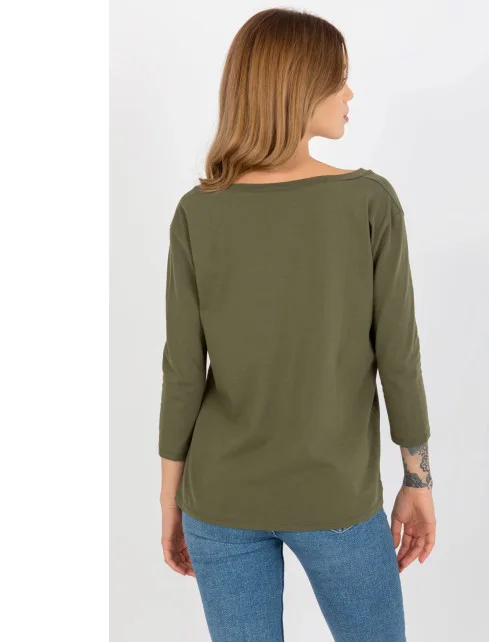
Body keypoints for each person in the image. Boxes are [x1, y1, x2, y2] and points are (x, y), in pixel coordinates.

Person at [158, 7, 436, 641]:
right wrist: (416, 479)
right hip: (334, 498)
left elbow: (182, 374)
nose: (350, 93)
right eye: (339, 78)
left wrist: (170, 501)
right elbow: (399, 358)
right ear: (298, 86)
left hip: (218, 499)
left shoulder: (198, 211)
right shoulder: (369, 201)